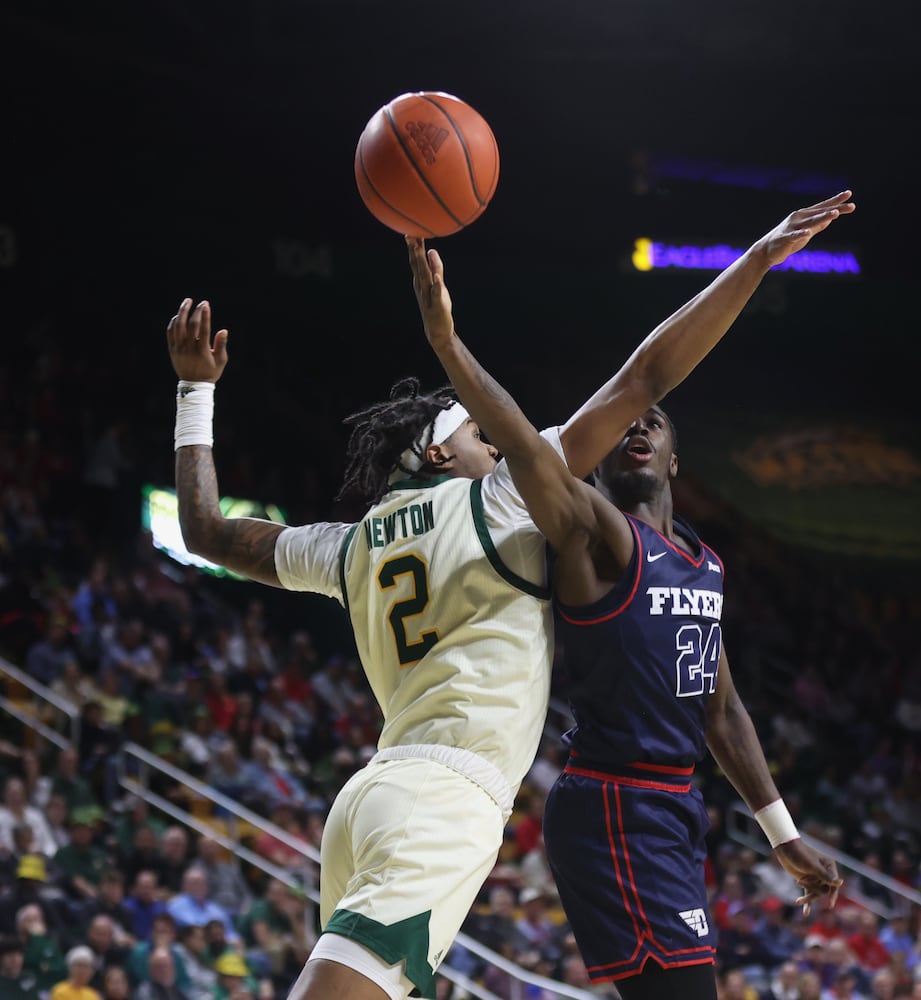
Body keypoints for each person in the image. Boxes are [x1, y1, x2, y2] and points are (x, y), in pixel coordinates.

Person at [165, 190, 854, 1000]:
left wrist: (193, 393)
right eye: (475, 435)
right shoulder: (505, 500)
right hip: (446, 795)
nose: (493, 445)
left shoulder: (347, 545)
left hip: (370, 796)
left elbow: (207, 533)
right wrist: (757, 259)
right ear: (435, 448)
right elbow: (648, 375)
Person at [404, 205, 851, 1000]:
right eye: (626, 427)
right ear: (603, 456)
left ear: (678, 462)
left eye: (656, 425)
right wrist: (448, 343)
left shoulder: (705, 565)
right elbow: (605, 398)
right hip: (615, 800)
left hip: (674, 807)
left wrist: (780, 835)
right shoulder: (592, 530)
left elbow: (721, 713)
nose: (639, 425)